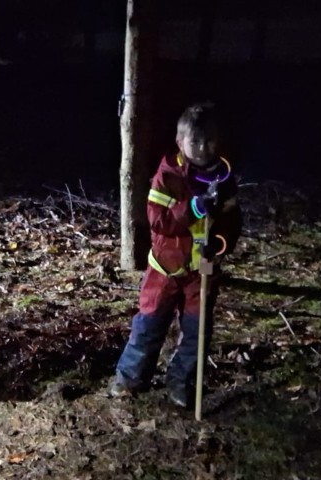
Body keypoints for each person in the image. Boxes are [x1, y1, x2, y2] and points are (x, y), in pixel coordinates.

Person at [109, 102, 242, 408]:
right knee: (149, 325)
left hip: (203, 271)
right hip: (165, 269)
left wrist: (219, 244)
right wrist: (193, 208)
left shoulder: (223, 179)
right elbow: (159, 222)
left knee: (197, 333)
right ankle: (130, 379)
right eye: (195, 141)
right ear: (181, 142)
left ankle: (181, 383)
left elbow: (232, 222)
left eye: (209, 140)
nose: (203, 148)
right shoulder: (168, 176)